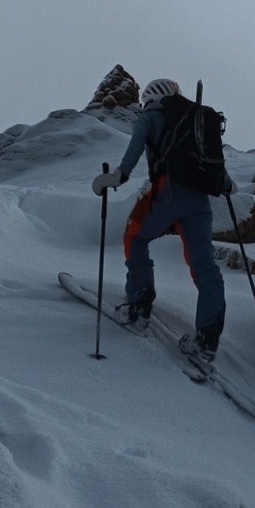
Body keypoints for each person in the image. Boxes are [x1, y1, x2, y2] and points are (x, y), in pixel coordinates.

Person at [92, 78, 233, 364]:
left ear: (149, 98)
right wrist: (226, 184)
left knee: (136, 236)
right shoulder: (195, 120)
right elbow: (215, 162)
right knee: (203, 264)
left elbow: (136, 146)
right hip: (200, 199)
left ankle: (139, 306)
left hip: (169, 190)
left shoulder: (151, 116)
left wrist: (118, 176)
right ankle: (207, 338)